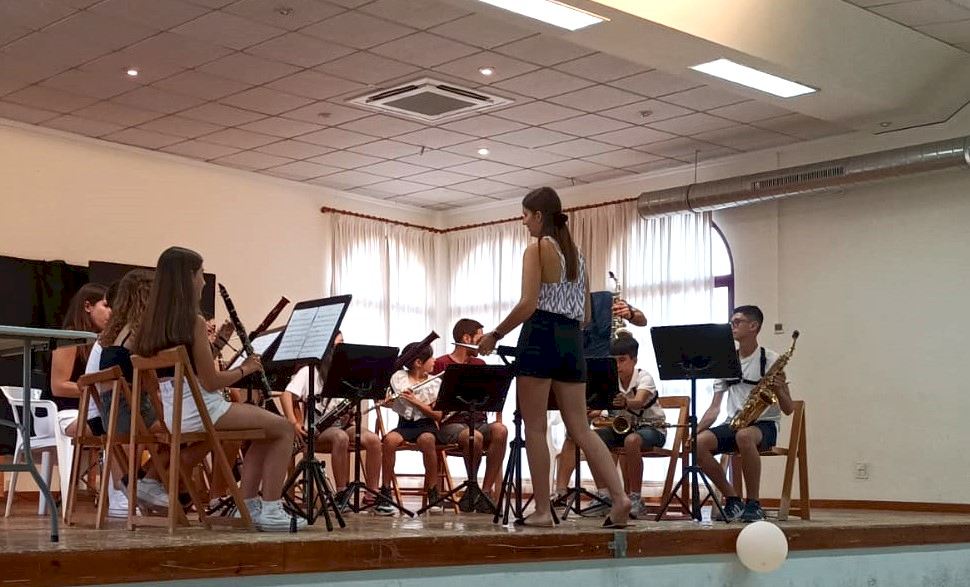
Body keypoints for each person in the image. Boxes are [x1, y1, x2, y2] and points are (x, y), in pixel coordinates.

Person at [478, 187, 631, 528]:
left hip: (540, 336)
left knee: (535, 427)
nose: (523, 222)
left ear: (538, 215)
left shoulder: (536, 249)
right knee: (581, 428)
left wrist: (495, 334)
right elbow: (587, 315)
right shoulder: (578, 255)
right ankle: (620, 498)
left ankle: (544, 510)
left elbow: (528, 304)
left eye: (525, 215)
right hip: (571, 341)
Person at [133, 246, 301, 532]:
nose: (203, 281)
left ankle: (249, 504)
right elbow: (210, 382)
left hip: (176, 413)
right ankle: (271, 509)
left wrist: (219, 348)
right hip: (203, 409)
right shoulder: (194, 322)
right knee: (284, 428)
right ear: (188, 277)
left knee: (264, 431)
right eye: (200, 274)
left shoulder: (150, 326)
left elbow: (190, 372)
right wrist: (246, 368)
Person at [695, 305, 794, 523]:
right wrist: (694, 432)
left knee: (744, 436)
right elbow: (714, 408)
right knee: (698, 444)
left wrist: (779, 389)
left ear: (753, 326)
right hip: (735, 422)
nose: (732, 326)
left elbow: (788, 409)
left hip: (764, 424)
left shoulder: (771, 359)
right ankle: (732, 499)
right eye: (732, 322)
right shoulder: (726, 361)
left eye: (737, 322)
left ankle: (753, 503)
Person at [280, 331, 384, 513]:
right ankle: (341, 494)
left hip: (342, 425)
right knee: (340, 437)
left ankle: (372, 495)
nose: (343, 347)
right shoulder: (309, 371)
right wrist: (294, 423)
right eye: (338, 343)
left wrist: (351, 412)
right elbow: (286, 395)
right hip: (317, 430)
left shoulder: (347, 371)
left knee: (374, 440)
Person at [433, 318, 508, 512]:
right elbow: (432, 399)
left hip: (478, 421)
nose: (483, 343)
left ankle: (484, 492)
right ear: (466, 338)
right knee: (474, 437)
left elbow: (491, 395)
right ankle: (473, 487)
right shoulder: (441, 363)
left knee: (500, 430)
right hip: (451, 423)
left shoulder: (480, 363)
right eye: (480, 338)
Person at [378, 341, 442, 515]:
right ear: (418, 362)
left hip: (426, 424)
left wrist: (415, 401)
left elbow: (437, 415)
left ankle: (433, 491)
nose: (435, 360)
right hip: (405, 424)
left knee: (427, 440)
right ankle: (385, 491)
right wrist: (388, 401)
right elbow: (393, 403)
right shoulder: (400, 378)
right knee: (389, 441)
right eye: (431, 358)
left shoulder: (435, 383)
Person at [51, 283, 111, 436]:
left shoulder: (101, 340)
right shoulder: (69, 338)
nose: (111, 312)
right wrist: (100, 392)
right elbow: (58, 386)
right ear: (88, 306)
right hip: (66, 412)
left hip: (93, 409)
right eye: (106, 306)